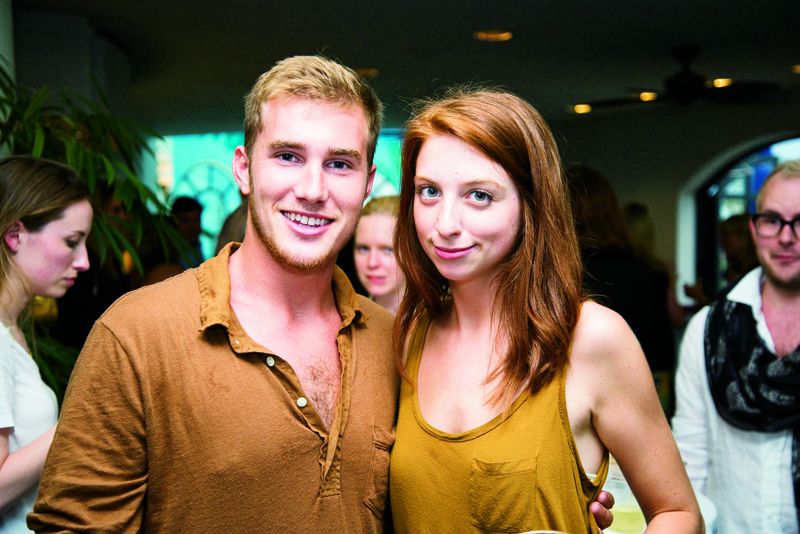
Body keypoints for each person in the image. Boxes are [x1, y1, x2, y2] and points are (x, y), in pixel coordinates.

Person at [28, 55, 398, 533]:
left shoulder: (392, 339)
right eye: (288, 156)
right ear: (244, 170)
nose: (312, 188)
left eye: (340, 164)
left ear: (367, 184)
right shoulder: (138, 333)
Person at [388, 89, 701, 533]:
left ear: (531, 206)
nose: (445, 224)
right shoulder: (408, 333)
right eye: (429, 192)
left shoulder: (589, 338)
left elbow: (678, 513)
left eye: (479, 196)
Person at [672, 160, 800, 533]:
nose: (787, 237)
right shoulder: (709, 330)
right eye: (772, 220)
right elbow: (689, 456)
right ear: (754, 228)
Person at [0, 156, 92, 532]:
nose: (83, 261)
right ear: (16, 235)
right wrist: (87, 413)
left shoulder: (12, 332)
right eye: (72, 242)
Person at [353, 195, 404, 313]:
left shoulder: (442, 321)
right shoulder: (347, 319)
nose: (372, 262)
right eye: (363, 249)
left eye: (387, 250)